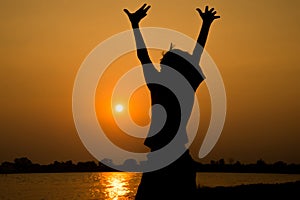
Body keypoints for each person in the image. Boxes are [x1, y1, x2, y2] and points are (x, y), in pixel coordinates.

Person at [124, 3, 220, 200]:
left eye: (164, 65)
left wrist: (135, 25)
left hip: (168, 159)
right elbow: (196, 56)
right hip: (175, 159)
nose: (160, 68)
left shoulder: (164, 86)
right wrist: (206, 24)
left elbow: (143, 55)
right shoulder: (184, 86)